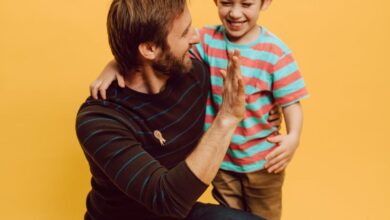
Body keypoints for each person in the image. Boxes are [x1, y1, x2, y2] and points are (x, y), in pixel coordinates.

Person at [91, 0, 309, 219]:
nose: (195, 38)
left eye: (246, 4)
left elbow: (288, 96)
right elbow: (165, 199)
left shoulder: (195, 74)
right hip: (192, 184)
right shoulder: (99, 119)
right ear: (149, 49)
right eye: (185, 33)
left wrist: (285, 127)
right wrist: (116, 64)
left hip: (248, 169)